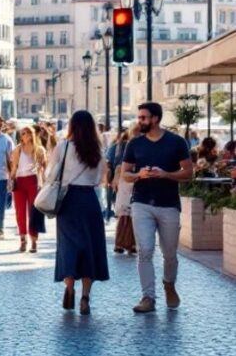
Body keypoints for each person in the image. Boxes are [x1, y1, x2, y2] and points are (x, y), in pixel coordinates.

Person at [123, 101, 193, 313]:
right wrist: (138, 175)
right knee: (144, 250)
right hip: (141, 203)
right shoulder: (134, 144)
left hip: (168, 204)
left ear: (155, 119)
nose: (140, 121)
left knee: (170, 253)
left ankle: (169, 284)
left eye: (143, 117)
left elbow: (189, 173)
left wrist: (166, 174)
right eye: (139, 117)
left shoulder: (176, 142)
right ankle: (148, 297)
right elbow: (125, 174)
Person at [49, 110, 108, 315]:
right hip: (89, 201)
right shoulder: (97, 150)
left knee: (68, 247)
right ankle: (85, 296)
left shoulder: (63, 147)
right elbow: (100, 179)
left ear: (72, 126)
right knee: (90, 248)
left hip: (68, 202)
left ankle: (69, 288)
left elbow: (50, 174)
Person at [11, 126, 47, 253]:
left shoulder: (39, 150)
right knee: (20, 212)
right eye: (21, 133)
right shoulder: (17, 150)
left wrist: (45, 184)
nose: (23, 135)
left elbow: (43, 169)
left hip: (33, 181)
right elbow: (13, 168)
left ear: (31, 134)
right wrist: (11, 180)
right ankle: (22, 239)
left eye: (25, 133)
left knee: (33, 212)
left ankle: (34, 241)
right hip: (19, 182)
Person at [112, 128, 138, 255]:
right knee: (126, 217)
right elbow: (118, 166)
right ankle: (125, 244)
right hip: (126, 183)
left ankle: (126, 244)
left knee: (130, 217)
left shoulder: (125, 146)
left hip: (131, 184)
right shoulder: (125, 146)